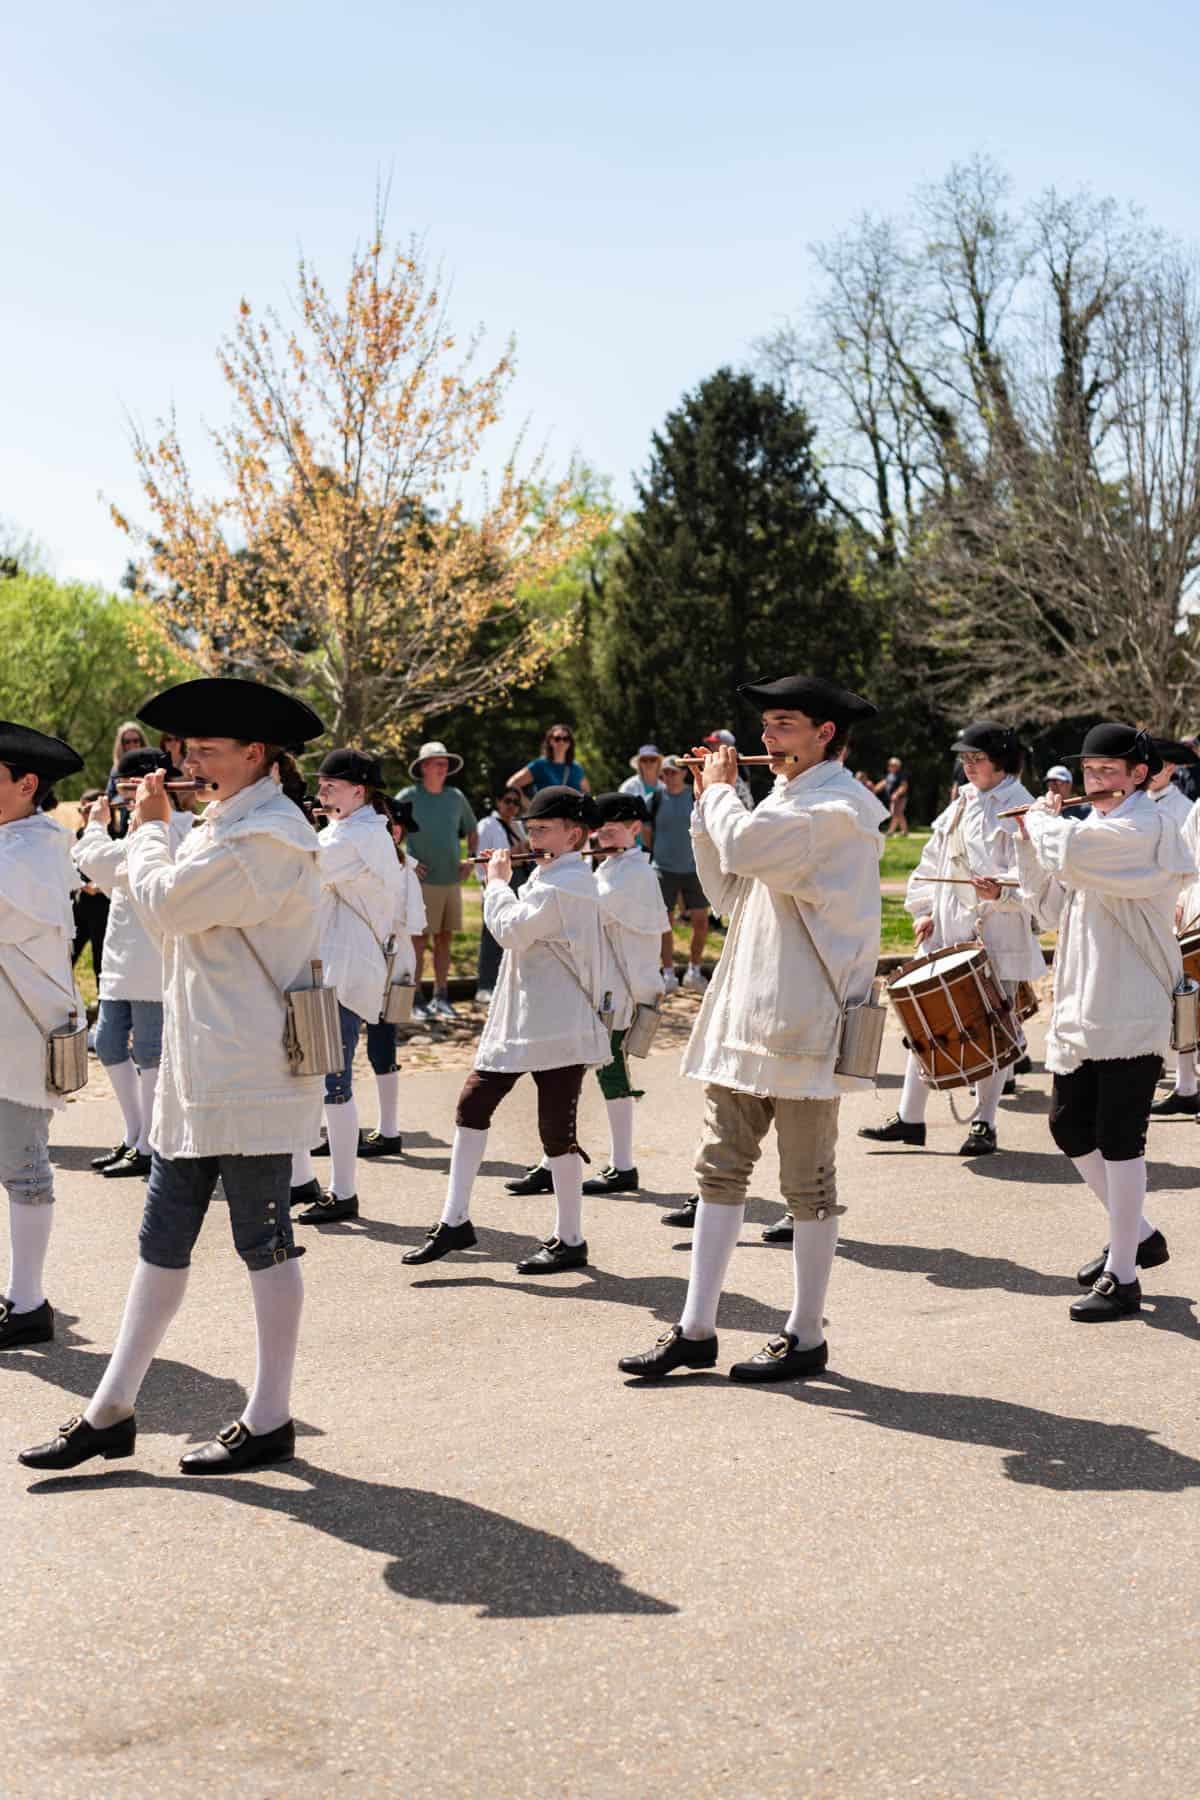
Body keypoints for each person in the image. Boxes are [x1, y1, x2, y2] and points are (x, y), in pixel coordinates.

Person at [19, 676, 327, 1473]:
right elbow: (148, 884)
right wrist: (122, 833)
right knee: (161, 1239)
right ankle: (111, 1410)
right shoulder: (232, 820)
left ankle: (269, 1415)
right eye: (186, 751)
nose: (191, 763)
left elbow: (166, 904)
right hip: (206, 1068)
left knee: (266, 1243)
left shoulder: (273, 836)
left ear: (258, 754)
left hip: (250, 1070)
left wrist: (151, 824)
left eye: (208, 751)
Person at [618, 675, 886, 1382]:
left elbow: (745, 847)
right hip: (750, 1015)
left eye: (784, 725)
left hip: (804, 1022)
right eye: (765, 725)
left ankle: (804, 1334)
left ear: (826, 734)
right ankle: (696, 1328)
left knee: (808, 1185)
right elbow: (730, 888)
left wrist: (715, 794)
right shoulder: (788, 799)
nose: (767, 739)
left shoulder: (838, 809)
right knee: (718, 1170)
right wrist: (712, 812)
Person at [1013, 723, 1191, 1323]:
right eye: (1090, 773)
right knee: (1068, 1127)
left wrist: (1039, 823)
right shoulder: (1089, 827)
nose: (1097, 782)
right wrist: (1024, 846)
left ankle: (1124, 1276)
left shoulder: (1149, 826)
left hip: (1132, 1000)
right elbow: (1051, 903)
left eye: (1109, 772)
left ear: (1141, 774)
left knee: (1120, 1137)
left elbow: (1075, 854)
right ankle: (1137, 1235)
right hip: (1083, 1001)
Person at [401, 785, 610, 1275]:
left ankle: (570, 1237)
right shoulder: (549, 875)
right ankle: (455, 1220)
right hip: (522, 1020)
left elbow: (510, 930)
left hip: (558, 1025)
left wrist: (494, 882)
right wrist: (506, 880)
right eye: (530, 829)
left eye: (542, 830)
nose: (531, 837)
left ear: (574, 834)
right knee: (472, 1105)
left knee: (556, 1131)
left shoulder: (571, 883)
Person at [860, 723, 1045, 1157]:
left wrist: (1002, 892)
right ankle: (910, 1118)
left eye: (976, 758)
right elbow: (930, 862)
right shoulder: (961, 803)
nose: (967, 764)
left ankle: (985, 1122)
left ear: (1001, 760)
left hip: (996, 931)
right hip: (946, 926)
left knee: (993, 1026)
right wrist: (924, 910)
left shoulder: (1024, 809)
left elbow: (1041, 880)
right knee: (927, 1022)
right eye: (965, 758)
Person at [506, 792, 669, 1198]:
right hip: (596, 989)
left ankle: (622, 1165)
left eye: (613, 829)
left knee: (607, 1075)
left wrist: (560, 869)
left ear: (635, 829)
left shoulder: (635, 873)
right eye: (599, 831)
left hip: (617, 995)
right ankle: (556, 1159)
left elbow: (611, 925)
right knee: (567, 1074)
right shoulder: (608, 867)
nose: (603, 837)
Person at [292, 749, 405, 1225]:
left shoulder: (361, 836)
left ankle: (343, 1190)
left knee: (332, 1082)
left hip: (346, 970)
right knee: (303, 1073)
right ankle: (302, 1179)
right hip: (326, 965)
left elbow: (300, 870)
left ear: (360, 792)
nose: (322, 793)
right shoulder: (342, 830)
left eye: (331, 787)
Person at [0, 724, 85, 1352]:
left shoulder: (31, 849)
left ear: (26, 784)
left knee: (24, 1169)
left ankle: (28, 1303)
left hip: (17, 1037)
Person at [73, 750, 194, 1180]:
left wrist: (94, 826)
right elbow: (104, 875)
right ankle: (134, 1133)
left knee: (147, 1050)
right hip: (119, 960)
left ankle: (148, 1143)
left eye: (131, 788)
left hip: (151, 961)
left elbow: (95, 860)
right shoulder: (138, 832)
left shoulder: (177, 828)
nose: (125, 797)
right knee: (106, 1043)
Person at [356, 796, 426, 1157]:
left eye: (392, 825)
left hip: (390, 963)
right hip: (372, 959)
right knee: (362, 1045)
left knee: (382, 1045)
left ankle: (388, 1128)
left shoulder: (404, 871)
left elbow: (413, 923)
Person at [396, 741, 477, 1020]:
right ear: (423, 767)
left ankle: (441, 996)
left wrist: (471, 859)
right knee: (417, 942)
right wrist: (404, 860)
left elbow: (472, 830)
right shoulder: (409, 796)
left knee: (445, 940)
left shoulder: (456, 796)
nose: (442, 767)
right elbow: (389, 830)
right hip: (422, 883)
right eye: (437, 762)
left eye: (445, 762)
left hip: (450, 881)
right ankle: (415, 997)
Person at [1148, 738, 1200, 1117]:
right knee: (1185, 1001)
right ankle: (1185, 1086)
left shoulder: (1183, 807)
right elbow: (1186, 864)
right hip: (1191, 911)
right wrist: (1179, 904)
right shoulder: (1197, 810)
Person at [646, 756, 709, 993]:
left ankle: (694, 970)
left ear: (684, 774)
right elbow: (647, 830)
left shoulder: (695, 796)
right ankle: (669, 973)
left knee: (701, 921)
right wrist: (657, 855)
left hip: (694, 869)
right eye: (666, 773)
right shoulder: (656, 798)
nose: (669, 777)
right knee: (665, 923)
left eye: (674, 772)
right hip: (663, 869)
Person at [475, 787, 529, 1002]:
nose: (512, 806)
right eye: (507, 801)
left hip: (520, 880)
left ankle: (508, 985)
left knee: (515, 932)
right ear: (497, 801)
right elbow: (480, 856)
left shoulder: (517, 825)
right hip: (497, 881)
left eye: (516, 803)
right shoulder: (487, 825)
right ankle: (485, 985)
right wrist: (488, 883)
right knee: (491, 936)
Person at [71, 789, 111, 982]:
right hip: (80, 905)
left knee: (100, 961)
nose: (83, 814)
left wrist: (100, 886)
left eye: (87, 809)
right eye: (81, 809)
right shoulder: (79, 834)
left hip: (103, 907)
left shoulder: (113, 834)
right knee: (68, 955)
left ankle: (102, 1006)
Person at [507, 724, 589, 798]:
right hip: (545, 814)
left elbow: (586, 792)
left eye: (566, 739)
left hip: (570, 814)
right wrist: (528, 804)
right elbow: (512, 784)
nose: (561, 742)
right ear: (550, 741)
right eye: (557, 739)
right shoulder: (540, 765)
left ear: (570, 743)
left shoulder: (577, 768)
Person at [104, 721, 148, 799]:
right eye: (127, 742)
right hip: (125, 809)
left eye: (135, 740)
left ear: (141, 742)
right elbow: (109, 796)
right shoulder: (116, 768)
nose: (132, 745)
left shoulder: (151, 764)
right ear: (121, 745)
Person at [875, 757, 909, 835]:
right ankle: (902, 831)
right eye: (890, 764)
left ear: (898, 766)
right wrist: (874, 790)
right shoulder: (890, 775)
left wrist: (897, 794)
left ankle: (893, 831)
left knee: (898, 813)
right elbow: (883, 783)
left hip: (901, 798)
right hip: (893, 799)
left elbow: (904, 786)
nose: (890, 766)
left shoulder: (901, 774)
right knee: (896, 813)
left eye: (893, 765)